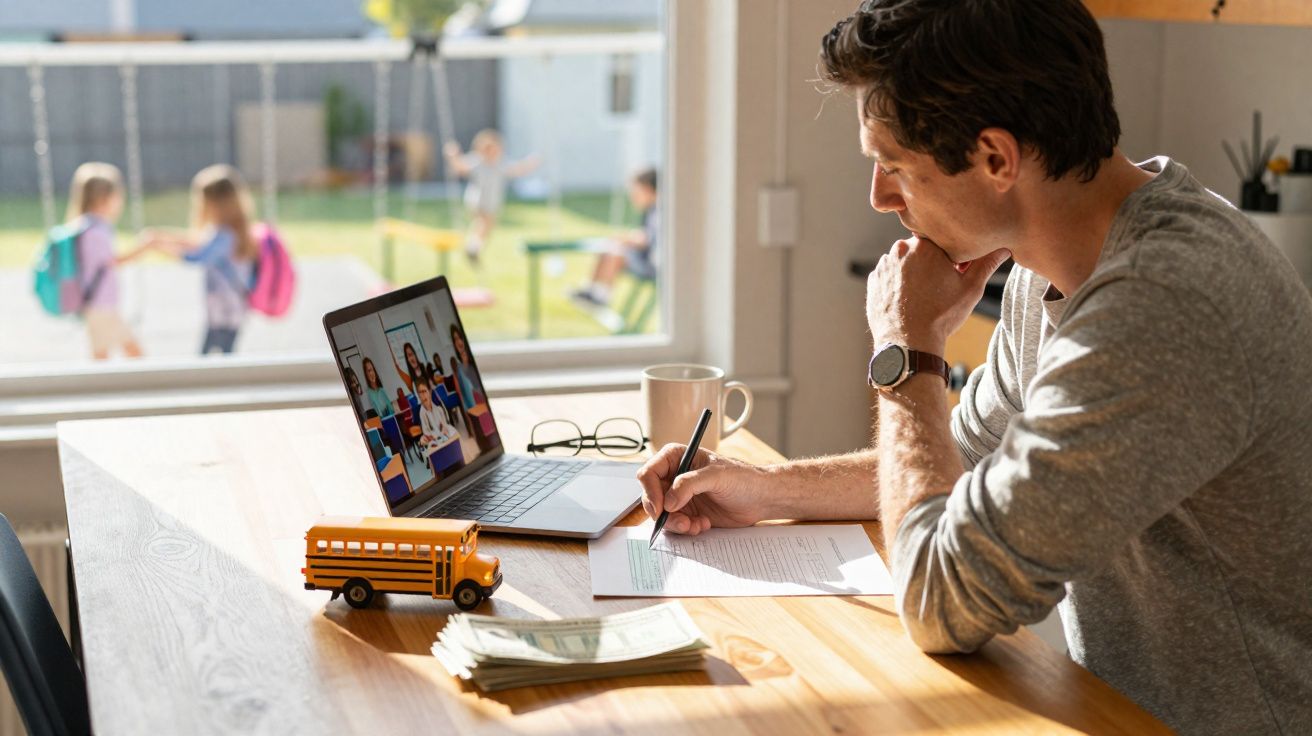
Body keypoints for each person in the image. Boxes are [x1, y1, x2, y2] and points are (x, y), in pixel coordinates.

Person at [635, 1, 1312, 733]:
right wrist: (764, 489)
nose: (880, 197)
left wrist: (908, 350)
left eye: (894, 167)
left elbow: (941, 599)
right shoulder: (1045, 269)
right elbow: (959, 464)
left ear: (995, 158)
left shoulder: (1165, 305)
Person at [143, 165, 259, 355]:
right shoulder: (232, 230)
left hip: (226, 311)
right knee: (215, 356)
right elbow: (197, 242)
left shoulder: (225, 236)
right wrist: (163, 237)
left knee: (215, 357)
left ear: (214, 203)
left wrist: (160, 247)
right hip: (226, 310)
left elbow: (198, 256)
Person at [64, 162, 149, 360]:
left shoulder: (84, 226)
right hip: (101, 304)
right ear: (104, 198)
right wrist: (144, 247)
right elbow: (113, 261)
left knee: (101, 354)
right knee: (134, 352)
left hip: (94, 303)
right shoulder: (95, 231)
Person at [442, 129, 540, 267]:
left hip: (492, 203)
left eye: (496, 149)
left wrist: (530, 164)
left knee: (485, 227)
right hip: (478, 200)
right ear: (482, 149)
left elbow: (517, 169)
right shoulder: (477, 162)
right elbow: (460, 167)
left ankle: (474, 248)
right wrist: (453, 155)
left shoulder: (500, 164)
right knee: (484, 223)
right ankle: (473, 248)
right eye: (489, 149)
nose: (493, 152)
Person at [571, 168, 659, 307]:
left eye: (636, 192)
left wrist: (628, 239)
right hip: (646, 258)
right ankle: (592, 289)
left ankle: (601, 296)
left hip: (653, 264)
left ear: (648, 189)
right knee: (609, 247)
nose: (633, 197)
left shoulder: (659, 212)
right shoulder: (651, 210)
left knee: (616, 253)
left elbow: (648, 239)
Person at [414, 375, 457, 453]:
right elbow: (426, 432)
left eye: (424, 391)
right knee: (425, 442)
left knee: (452, 432)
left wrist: (444, 429)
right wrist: (433, 437)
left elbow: (444, 424)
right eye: (420, 393)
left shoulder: (438, 409)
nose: (423, 396)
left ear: (429, 392)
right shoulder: (422, 413)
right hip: (433, 439)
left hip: (443, 435)